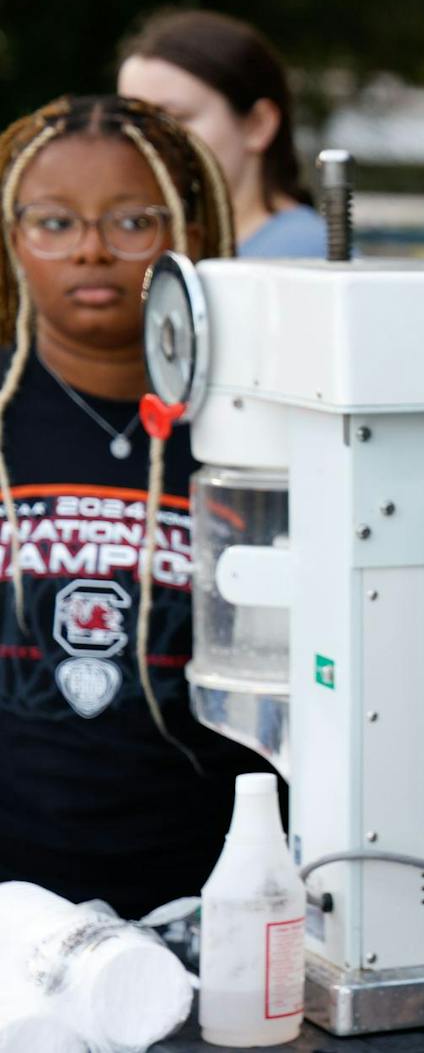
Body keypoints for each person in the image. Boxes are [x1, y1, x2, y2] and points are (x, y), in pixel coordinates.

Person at [0, 94, 271, 919]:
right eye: (53, 223)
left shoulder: (249, 425)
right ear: (13, 236)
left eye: (131, 222)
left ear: (187, 231)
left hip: (210, 893)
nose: (89, 249)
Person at [116, 10, 325, 258]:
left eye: (174, 119)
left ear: (257, 125)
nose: (146, 141)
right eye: (133, 122)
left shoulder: (305, 254)